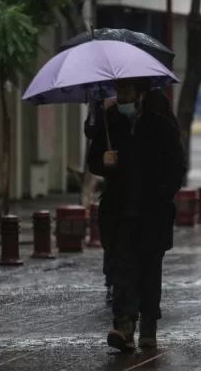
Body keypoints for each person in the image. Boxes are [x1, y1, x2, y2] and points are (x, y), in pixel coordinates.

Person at [88, 80, 186, 351]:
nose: (122, 98)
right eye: (119, 92)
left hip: (152, 214)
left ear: (139, 94)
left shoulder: (160, 125)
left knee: (149, 271)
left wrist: (162, 194)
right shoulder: (109, 123)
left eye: (127, 92)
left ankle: (149, 326)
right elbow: (93, 159)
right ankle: (124, 324)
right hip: (120, 212)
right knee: (122, 268)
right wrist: (103, 163)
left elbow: (177, 167)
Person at [84, 97, 117, 303]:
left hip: (141, 196)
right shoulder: (103, 108)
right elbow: (89, 132)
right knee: (112, 239)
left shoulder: (150, 113)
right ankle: (112, 280)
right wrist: (99, 112)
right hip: (114, 193)